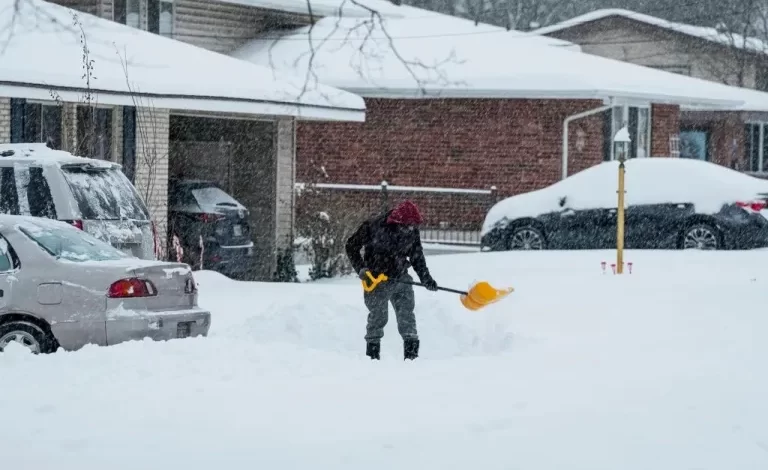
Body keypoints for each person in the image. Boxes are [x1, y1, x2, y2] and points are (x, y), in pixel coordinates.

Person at [345, 200, 438, 361]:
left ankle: (412, 359)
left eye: (413, 226)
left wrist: (426, 279)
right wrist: (361, 269)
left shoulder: (411, 231)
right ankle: (372, 359)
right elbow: (351, 246)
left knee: (407, 317)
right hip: (376, 280)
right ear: (397, 222)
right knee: (378, 318)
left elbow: (417, 257)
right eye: (408, 226)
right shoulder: (373, 227)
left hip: (401, 278)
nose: (411, 229)